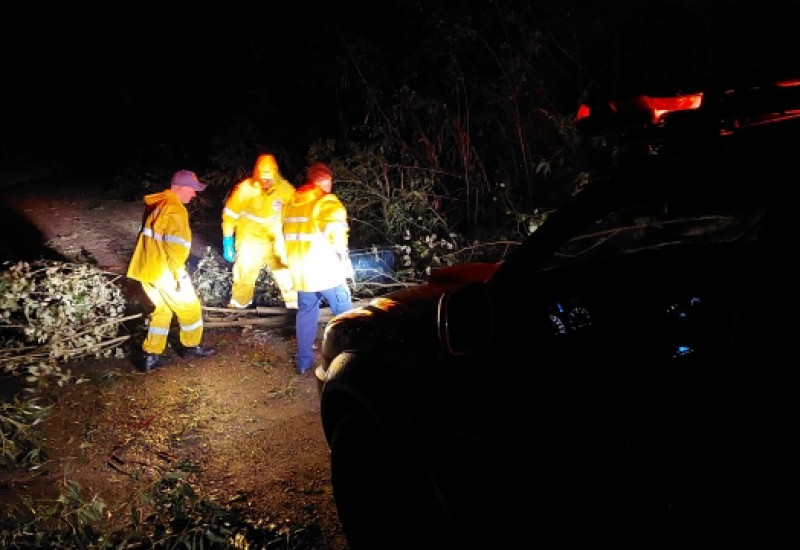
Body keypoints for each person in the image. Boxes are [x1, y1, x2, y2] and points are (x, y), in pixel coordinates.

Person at [127, 170, 216, 372]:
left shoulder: (158, 204)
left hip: (146, 269)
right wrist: (178, 275)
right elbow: (175, 247)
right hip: (165, 271)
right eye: (192, 190)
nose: (194, 194)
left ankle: (150, 356)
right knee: (191, 307)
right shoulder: (175, 210)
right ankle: (191, 346)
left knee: (163, 310)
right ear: (179, 188)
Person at [283, 162, 354, 374]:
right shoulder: (326, 201)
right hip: (326, 272)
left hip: (302, 274)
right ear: (326, 180)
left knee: (306, 312)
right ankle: (351, 359)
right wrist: (344, 257)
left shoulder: (294, 202)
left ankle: (304, 363)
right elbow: (337, 234)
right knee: (346, 314)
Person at [221, 153, 297, 309]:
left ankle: (295, 309)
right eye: (262, 178)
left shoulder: (285, 190)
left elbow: (297, 210)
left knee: (286, 274)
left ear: (275, 174)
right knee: (244, 276)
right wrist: (227, 240)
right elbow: (229, 215)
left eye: (268, 178)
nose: (265, 182)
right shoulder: (245, 189)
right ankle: (238, 308)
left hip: (275, 240)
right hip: (250, 241)